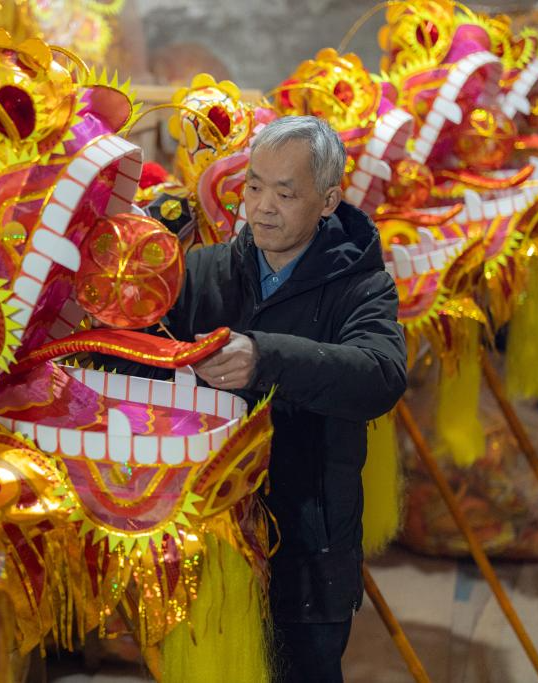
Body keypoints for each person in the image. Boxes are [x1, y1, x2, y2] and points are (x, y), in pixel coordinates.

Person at [147, 115, 407, 681]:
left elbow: (381, 376)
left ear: (328, 200)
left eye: (285, 193)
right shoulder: (202, 271)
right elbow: (138, 344)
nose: (262, 206)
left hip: (308, 545)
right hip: (207, 540)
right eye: (254, 186)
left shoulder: (360, 284)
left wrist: (264, 357)